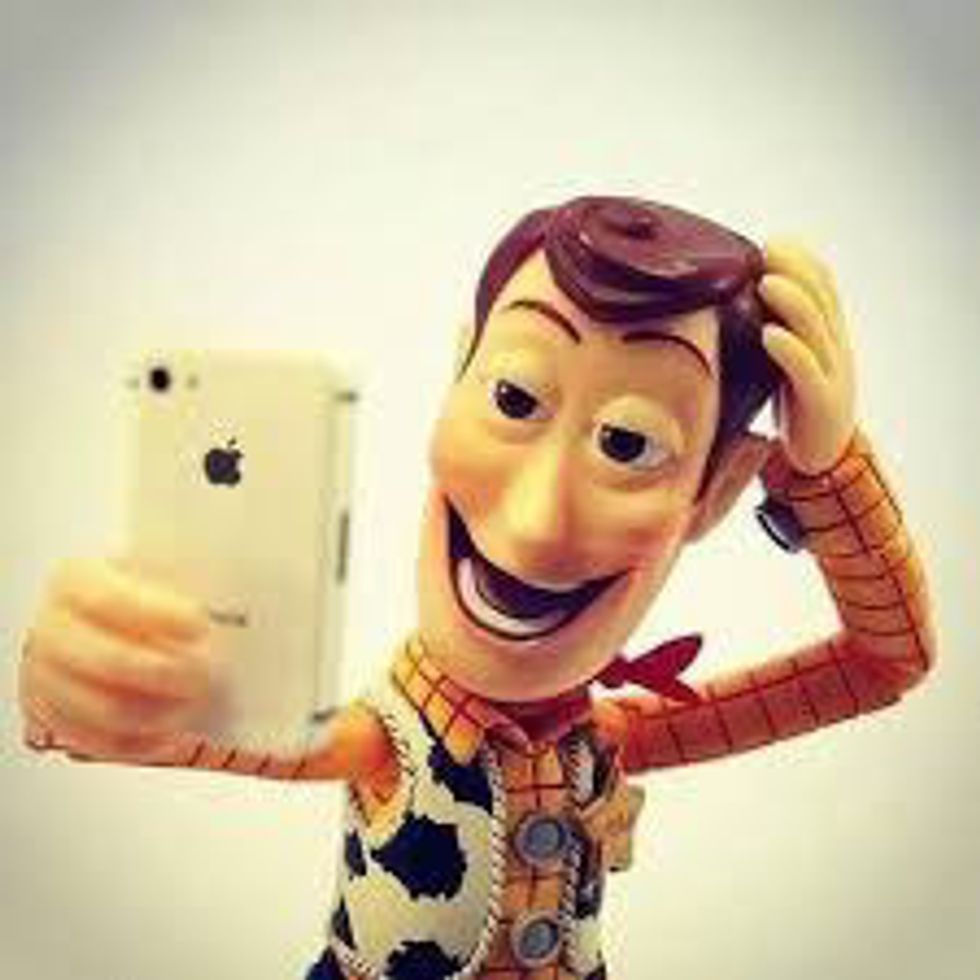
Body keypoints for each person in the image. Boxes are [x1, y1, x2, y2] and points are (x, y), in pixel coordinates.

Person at [18, 196, 935, 980]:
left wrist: (826, 472)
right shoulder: (387, 742)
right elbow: (163, 732)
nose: (533, 524)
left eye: (627, 443)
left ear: (718, 491)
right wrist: (78, 686)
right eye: (513, 399)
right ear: (458, 376)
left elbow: (884, 661)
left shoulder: (607, 738)